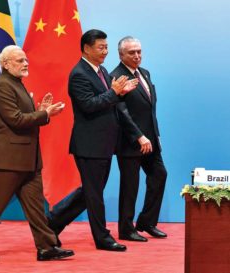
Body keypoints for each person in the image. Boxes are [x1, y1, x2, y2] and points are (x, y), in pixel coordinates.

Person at [0, 45, 74, 261]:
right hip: (9, 159)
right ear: (6, 64)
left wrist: (41, 111)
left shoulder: (15, 84)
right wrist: (43, 113)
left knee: (35, 208)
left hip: (27, 159)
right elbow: (15, 120)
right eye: (20, 61)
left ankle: (46, 247)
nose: (26, 64)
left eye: (25, 60)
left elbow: (22, 117)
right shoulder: (2, 85)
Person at [66, 29, 137, 251]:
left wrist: (120, 92)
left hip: (104, 143)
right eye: (101, 47)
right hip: (89, 144)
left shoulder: (102, 70)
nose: (105, 51)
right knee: (94, 194)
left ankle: (52, 223)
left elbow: (108, 100)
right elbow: (88, 105)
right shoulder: (78, 73)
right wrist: (115, 93)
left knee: (89, 192)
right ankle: (103, 238)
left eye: (106, 47)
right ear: (87, 48)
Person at [110, 36, 167, 242]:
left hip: (151, 140)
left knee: (159, 175)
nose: (137, 55)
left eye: (139, 51)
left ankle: (146, 222)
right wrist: (139, 136)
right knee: (130, 186)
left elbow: (149, 110)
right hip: (130, 142)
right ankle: (126, 229)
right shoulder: (116, 77)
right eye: (132, 52)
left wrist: (154, 136)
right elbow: (121, 111)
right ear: (121, 55)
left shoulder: (145, 73)